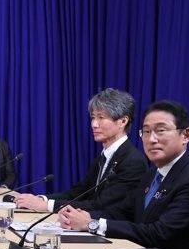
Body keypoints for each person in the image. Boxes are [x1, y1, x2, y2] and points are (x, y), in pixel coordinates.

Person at [59, 100, 189, 249]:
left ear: (186, 135)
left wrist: (92, 224)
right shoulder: (152, 175)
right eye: (146, 131)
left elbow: (158, 233)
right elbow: (123, 212)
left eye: (160, 130)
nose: (151, 139)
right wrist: (81, 216)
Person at [15, 88, 147, 212]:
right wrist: (41, 199)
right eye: (93, 117)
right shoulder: (103, 157)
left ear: (123, 121)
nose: (94, 124)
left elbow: (101, 205)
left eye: (101, 117)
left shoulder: (133, 162)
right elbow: (79, 193)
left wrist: (46, 205)